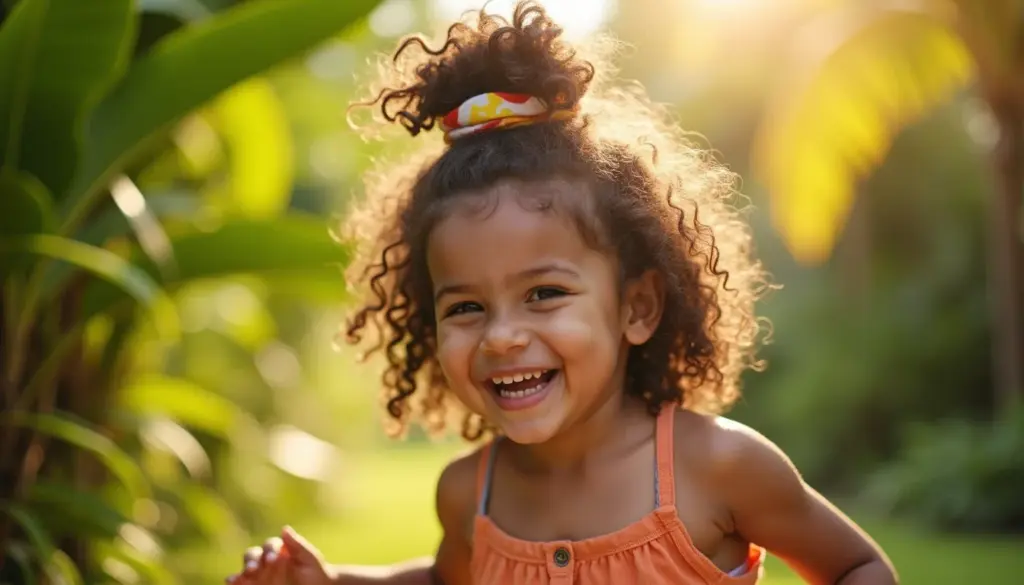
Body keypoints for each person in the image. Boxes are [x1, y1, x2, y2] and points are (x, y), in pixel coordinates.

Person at [226, 2, 898, 584]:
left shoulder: (717, 466)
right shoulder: (470, 496)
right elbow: (443, 577)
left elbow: (857, 566)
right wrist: (335, 578)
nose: (502, 335)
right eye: (465, 307)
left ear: (636, 307)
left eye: (544, 293)